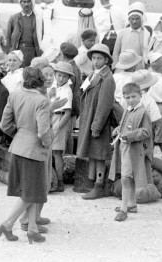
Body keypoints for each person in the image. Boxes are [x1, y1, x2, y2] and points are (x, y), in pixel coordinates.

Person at [0, 67, 53, 244]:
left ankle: (32, 229)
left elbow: (4, 125)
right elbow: (43, 131)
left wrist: (19, 136)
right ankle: (7, 224)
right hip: (34, 151)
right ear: (40, 81)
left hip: (18, 146)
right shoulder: (42, 100)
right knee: (31, 193)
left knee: (31, 191)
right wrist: (47, 143)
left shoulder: (15, 94)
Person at [77, 43, 118, 200]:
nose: (95, 61)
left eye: (99, 58)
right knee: (92, 152)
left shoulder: (107, 79)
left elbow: (104, 105)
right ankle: (91, 181)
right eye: (93, 58)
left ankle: (99, 185)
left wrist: (97, 125)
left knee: (99, 154)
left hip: (98, 122)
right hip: (89, 118)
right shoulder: (92, 75)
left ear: (106, 60)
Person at [110, 82, 153, 222]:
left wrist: (129, 135)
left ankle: (123, 209)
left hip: (134, 149)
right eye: (127, 97)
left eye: (133, 96)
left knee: (126, 178)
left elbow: (146, 131)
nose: (130, 100)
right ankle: (131, 204)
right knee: (129, 176)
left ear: (140, 95)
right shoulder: (128, 110)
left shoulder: (143, 112)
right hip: (125, 148)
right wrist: (118, 129)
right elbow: (124, 125)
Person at [49, 61, 74, 192]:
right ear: (55, 74)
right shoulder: (53, 87)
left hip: (60, 119)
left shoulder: (67, 90)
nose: (61, 79)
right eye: (59, 75)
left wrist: (58, 127)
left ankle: (60, 181)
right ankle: (50, 178)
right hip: (50, 117)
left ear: (68, 78)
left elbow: (68, 113)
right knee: (49, 151)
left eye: (65, 76)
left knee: (57, 153)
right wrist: (50, 97)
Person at [6, 0, 43, 67]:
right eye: (24, 2)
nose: (26, 4)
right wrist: (9, 52)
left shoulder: (38, 19)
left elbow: (41, 36)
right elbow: (8, 37)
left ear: (32, 2)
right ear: (20, 3)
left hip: (33, 52)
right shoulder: (14, 18)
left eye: (28, 2)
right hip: (18, 51)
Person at [112, 2, 151, 70]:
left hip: (138, 69)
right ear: (129, 20)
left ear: (141, 19)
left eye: (137, 19)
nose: (134, 21)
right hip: (122, 69)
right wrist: (115, 66)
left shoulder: (146, 34)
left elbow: (148, 54)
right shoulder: (122, 32)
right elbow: (116, 52)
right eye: (132, 19)